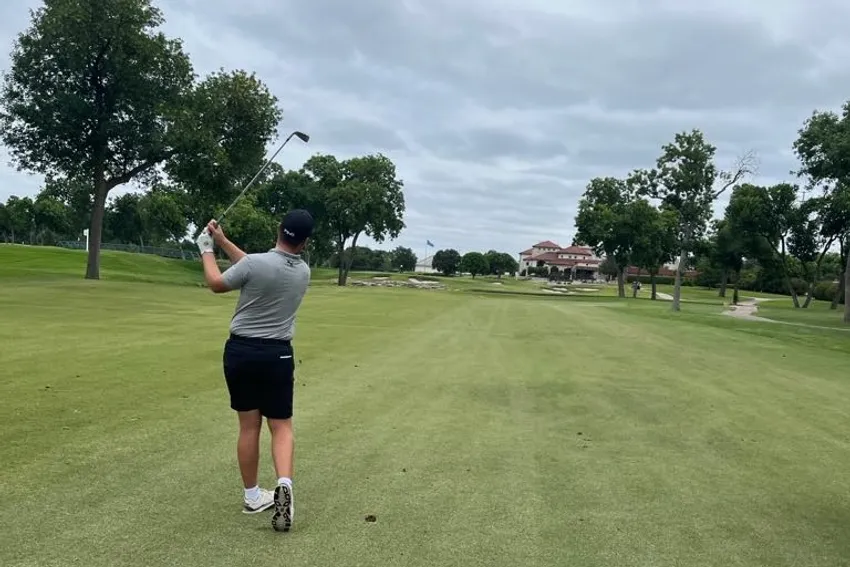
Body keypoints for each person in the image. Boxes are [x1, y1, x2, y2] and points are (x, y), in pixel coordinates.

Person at [195, 209, 313, 532]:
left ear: (279, 229)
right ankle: (284, 484)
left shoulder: (256, 264)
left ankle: (252, 496)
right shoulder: (303, 272)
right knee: (282, 427)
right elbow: (256, 267)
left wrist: (207, 248)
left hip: (241, 352)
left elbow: (218, 283)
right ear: (304, 243)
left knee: (249, 427)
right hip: (277, 356)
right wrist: (223, 241)